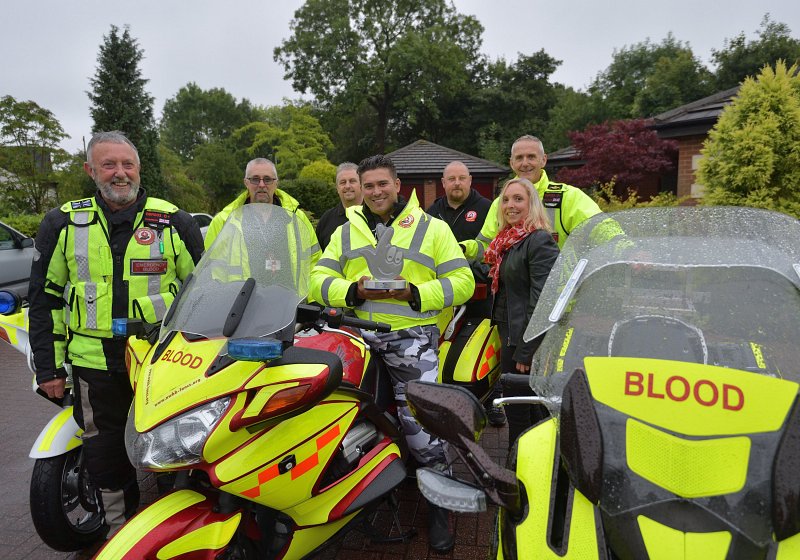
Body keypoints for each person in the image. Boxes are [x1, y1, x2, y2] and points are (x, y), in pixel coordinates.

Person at [28, 131, 204, 553]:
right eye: (109, 165)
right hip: (95, 361)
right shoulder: (63, 222)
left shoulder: (173, 220)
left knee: (175, 445)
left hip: (164, 359)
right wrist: (49, 369)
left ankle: (174, 529)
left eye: (128, 165)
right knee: (105, 454)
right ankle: (118, 533)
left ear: (139, 170)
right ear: (91, 171)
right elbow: (45, 297)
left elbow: (204, 289)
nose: (120, 173)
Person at [310, 155, 474, 553]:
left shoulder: (431, 228)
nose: (376, 192)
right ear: (360, 189)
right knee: (326, 411)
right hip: (355, 335)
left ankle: (439, 504)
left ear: (397, 184)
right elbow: (317, 279)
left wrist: (415, 293)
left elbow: (463, 281)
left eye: (383, 184)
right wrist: (353, 291)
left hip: (409, 338)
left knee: (421, 424)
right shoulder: (346, 231)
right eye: (369, 186)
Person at [425, 161, 505, 426]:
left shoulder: (487, 209)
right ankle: (447, 399)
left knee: (486, 347)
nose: (456, 183)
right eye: (451, 179)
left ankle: (492, 402)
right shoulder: (433, 211)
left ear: (470, 181)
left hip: (479, 293)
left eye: (461, 178)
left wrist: (470, 270)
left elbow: (492, 250)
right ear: (443, 182)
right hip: (443, 295)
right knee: (445, 348)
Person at [484, 178, 559, 451]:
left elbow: (543, 301)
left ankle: (518, 470)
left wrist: (527, 351)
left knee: (518, 409)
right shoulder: (508, 241)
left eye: (518, 199)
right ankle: (533, 463)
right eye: (505, 200)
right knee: (527, 406)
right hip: (510, 332)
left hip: (524, 339)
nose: (510, 205)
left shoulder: (538, 240)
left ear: (532, 204)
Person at [462, 135, 604, 260]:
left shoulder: (569, 196)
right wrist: (463, 248)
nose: (525, 163)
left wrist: (623, 249)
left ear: (543, 160)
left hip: (558, 288)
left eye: (531, 157)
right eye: (519, 158)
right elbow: (487, 246)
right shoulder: (501, 203)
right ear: (511, 163)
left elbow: (603, 229)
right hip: (514, 288)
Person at [204, 157, 320, 267]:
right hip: (244, 288)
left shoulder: (298, 219)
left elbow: (315, 262)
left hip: (288, 288)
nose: (261, 185)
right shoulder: (224, 222)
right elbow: (209, 270)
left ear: (276, 183)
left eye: (267, 179)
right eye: (255, 179)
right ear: (246, 182)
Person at [315, 162, 362, 250]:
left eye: (352, 181)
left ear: (361, 185)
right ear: (337, 188)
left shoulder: (374, 215)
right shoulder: (326, 220)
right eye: (343, 182)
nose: (347, 186)